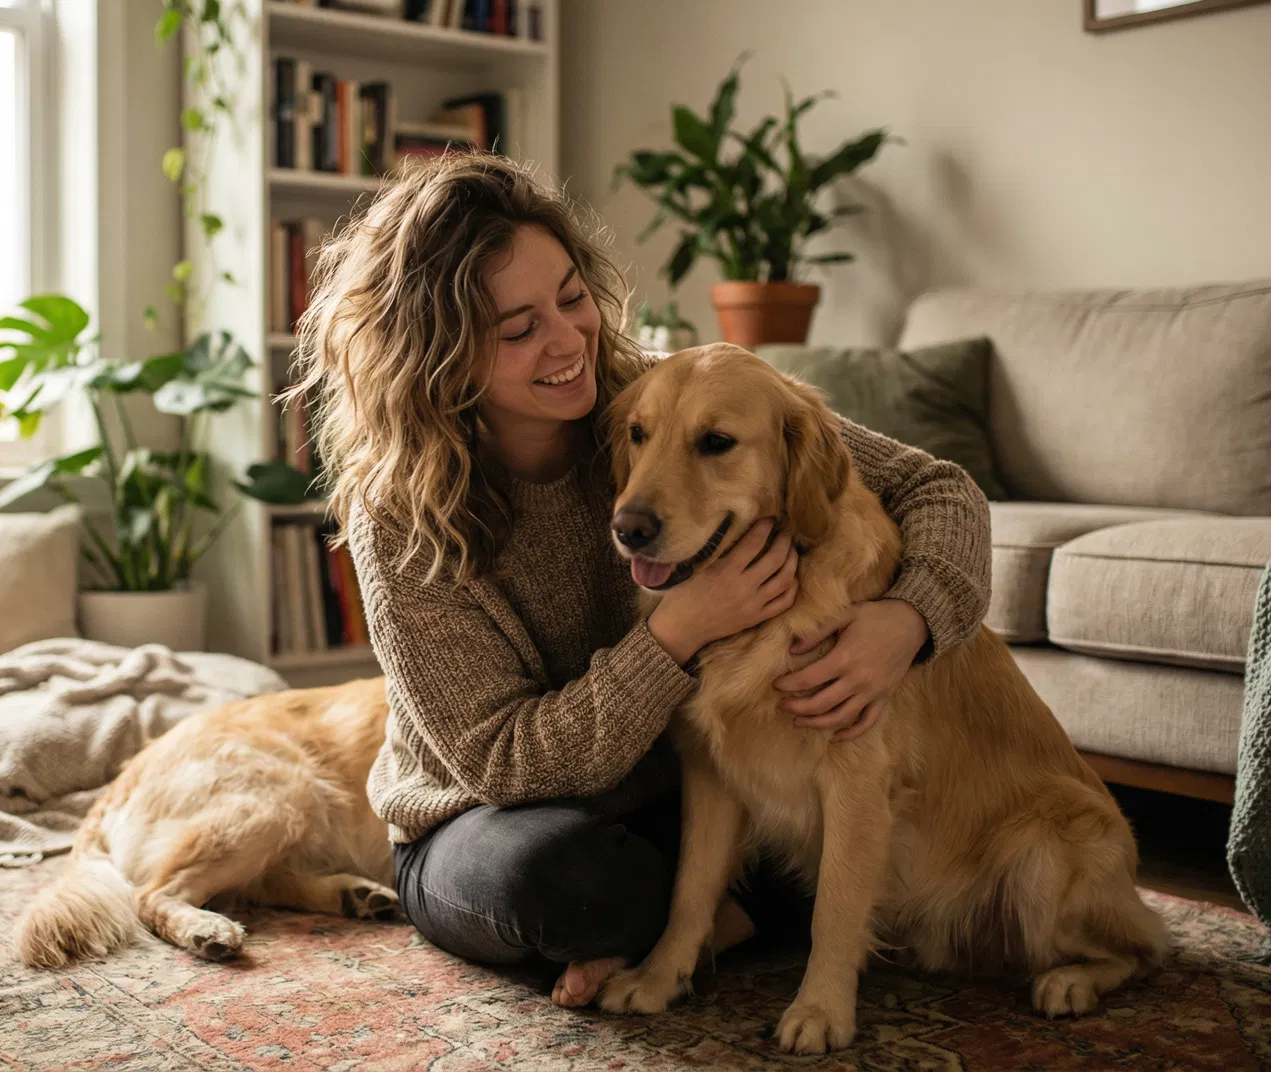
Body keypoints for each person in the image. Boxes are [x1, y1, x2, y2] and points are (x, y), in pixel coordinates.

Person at [288, 153, 991, 1008]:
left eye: (573, 298)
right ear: (440, 356)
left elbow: (937, 486)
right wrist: (678, 631)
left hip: (675, 790)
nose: (567, 342)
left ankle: (690, 925)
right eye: (517, 329)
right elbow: (503, 764)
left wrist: (908, 623)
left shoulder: (659, 395)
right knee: (560, 879)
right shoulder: (401, 516)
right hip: (480, 819)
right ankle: (714, 921)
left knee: (826, 810)